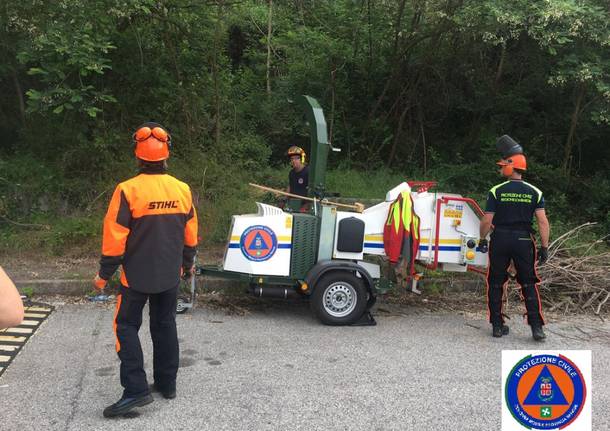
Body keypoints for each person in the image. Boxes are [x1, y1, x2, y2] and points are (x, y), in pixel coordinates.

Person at [94, 122, 198, 417]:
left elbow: (114, 238)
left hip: (135, 278)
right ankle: (167, 383)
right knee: (165, 325)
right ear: (167, 156)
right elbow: (191, 235)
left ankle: (136, 391)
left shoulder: (127, 190)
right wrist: (187, 265)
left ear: (137, 157)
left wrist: (103, 275)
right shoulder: (182, 189)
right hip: (169, 276)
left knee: (125, 327)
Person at [479, 136, 550, 341]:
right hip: (523, 241)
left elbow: (486, 220)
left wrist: (483, 238)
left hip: (500, 238)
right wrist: (544, 247)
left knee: (495, 282)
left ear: (511, 167)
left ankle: (497, 326)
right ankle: (537, 328)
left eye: (502, 166)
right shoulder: (535, 192)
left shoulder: (496, 191)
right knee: (528, 283)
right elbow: (543, 222)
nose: (500, 169)